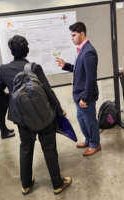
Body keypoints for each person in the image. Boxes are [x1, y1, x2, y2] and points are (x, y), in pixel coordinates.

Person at [0, 35, 72, 195]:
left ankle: (26, 184)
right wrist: (59, 109)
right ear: (27, 50)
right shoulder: (34, 67)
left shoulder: (4, 69)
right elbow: (48, 91)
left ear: (11, 51)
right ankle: (57, 184)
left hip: (22, 119)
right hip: (43, 117)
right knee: (49, 148)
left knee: (26, 148)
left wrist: (13, 104)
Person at [56, 22, 101, 156]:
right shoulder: (81, 50)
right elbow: (79, 70)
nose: (72, 38)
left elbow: (91, 78)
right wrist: (66, 66)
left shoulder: (89, 52)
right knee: (82, 121)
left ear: (82, 34)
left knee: (90, 121)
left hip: (84, 96)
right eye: (71, 35)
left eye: (74, 35)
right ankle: (88, 140)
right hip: (78, 95)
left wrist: (85, 98)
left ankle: (95, 144)